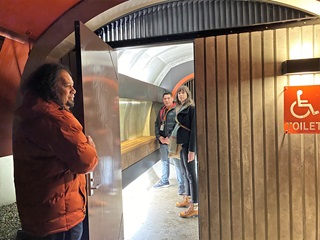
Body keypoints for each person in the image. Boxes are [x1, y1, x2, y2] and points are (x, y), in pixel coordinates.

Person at [12, 63, 98, 240]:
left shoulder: (28, 114)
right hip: (60, 217)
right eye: (67, 85)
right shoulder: (57, 119)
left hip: (36, 214)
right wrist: (91, 146)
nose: (74, 90)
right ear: (49, 87)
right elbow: (85, 161)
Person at [173, 85, 198, 218]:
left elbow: (194, 129)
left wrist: (192, 150)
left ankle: (195, 205)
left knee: (191, 174)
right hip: (182, 144)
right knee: (185, 172)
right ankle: (188, 198)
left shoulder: (191, 108)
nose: (181, 95)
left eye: (183, 93)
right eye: (179, 93)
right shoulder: (179, 108)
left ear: (188, 95)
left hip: (189, 144)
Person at [153, 92, 185, 195]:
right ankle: (164, 181)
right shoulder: (162, 110)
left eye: (168, 98)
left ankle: (181, 185)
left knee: (177, 163)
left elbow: (178, 125)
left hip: (173, 142)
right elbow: (157, 124)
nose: (166, 100)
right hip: (163, 141)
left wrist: (169, 138)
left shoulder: (177, 109)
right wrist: (159, 137)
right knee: (164, 161)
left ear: (172, 99)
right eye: (164, 98)